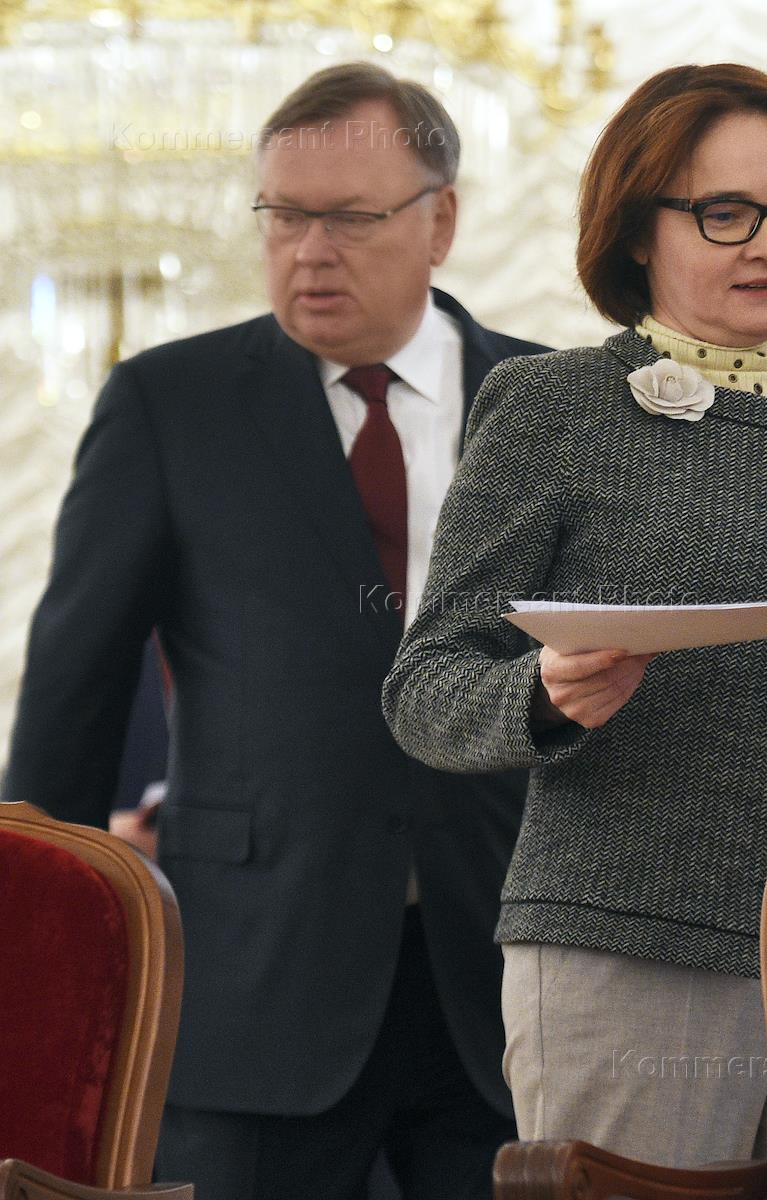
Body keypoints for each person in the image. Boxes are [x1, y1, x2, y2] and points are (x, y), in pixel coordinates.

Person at [382, 62, 767, 1170]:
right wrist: (543, 694)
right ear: (638, 231)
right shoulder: (554, 406)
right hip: (630, 947)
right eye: (724, 213)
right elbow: (427, 684)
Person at [3, 62, 548, 1200]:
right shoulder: (170, 404)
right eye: (283, 216)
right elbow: (75, 691)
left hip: (502, 970)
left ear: (440, 221)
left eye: (349, 218)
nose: (309, 252)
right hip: (254, 980)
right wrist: (40, 947)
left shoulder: (548, 406)